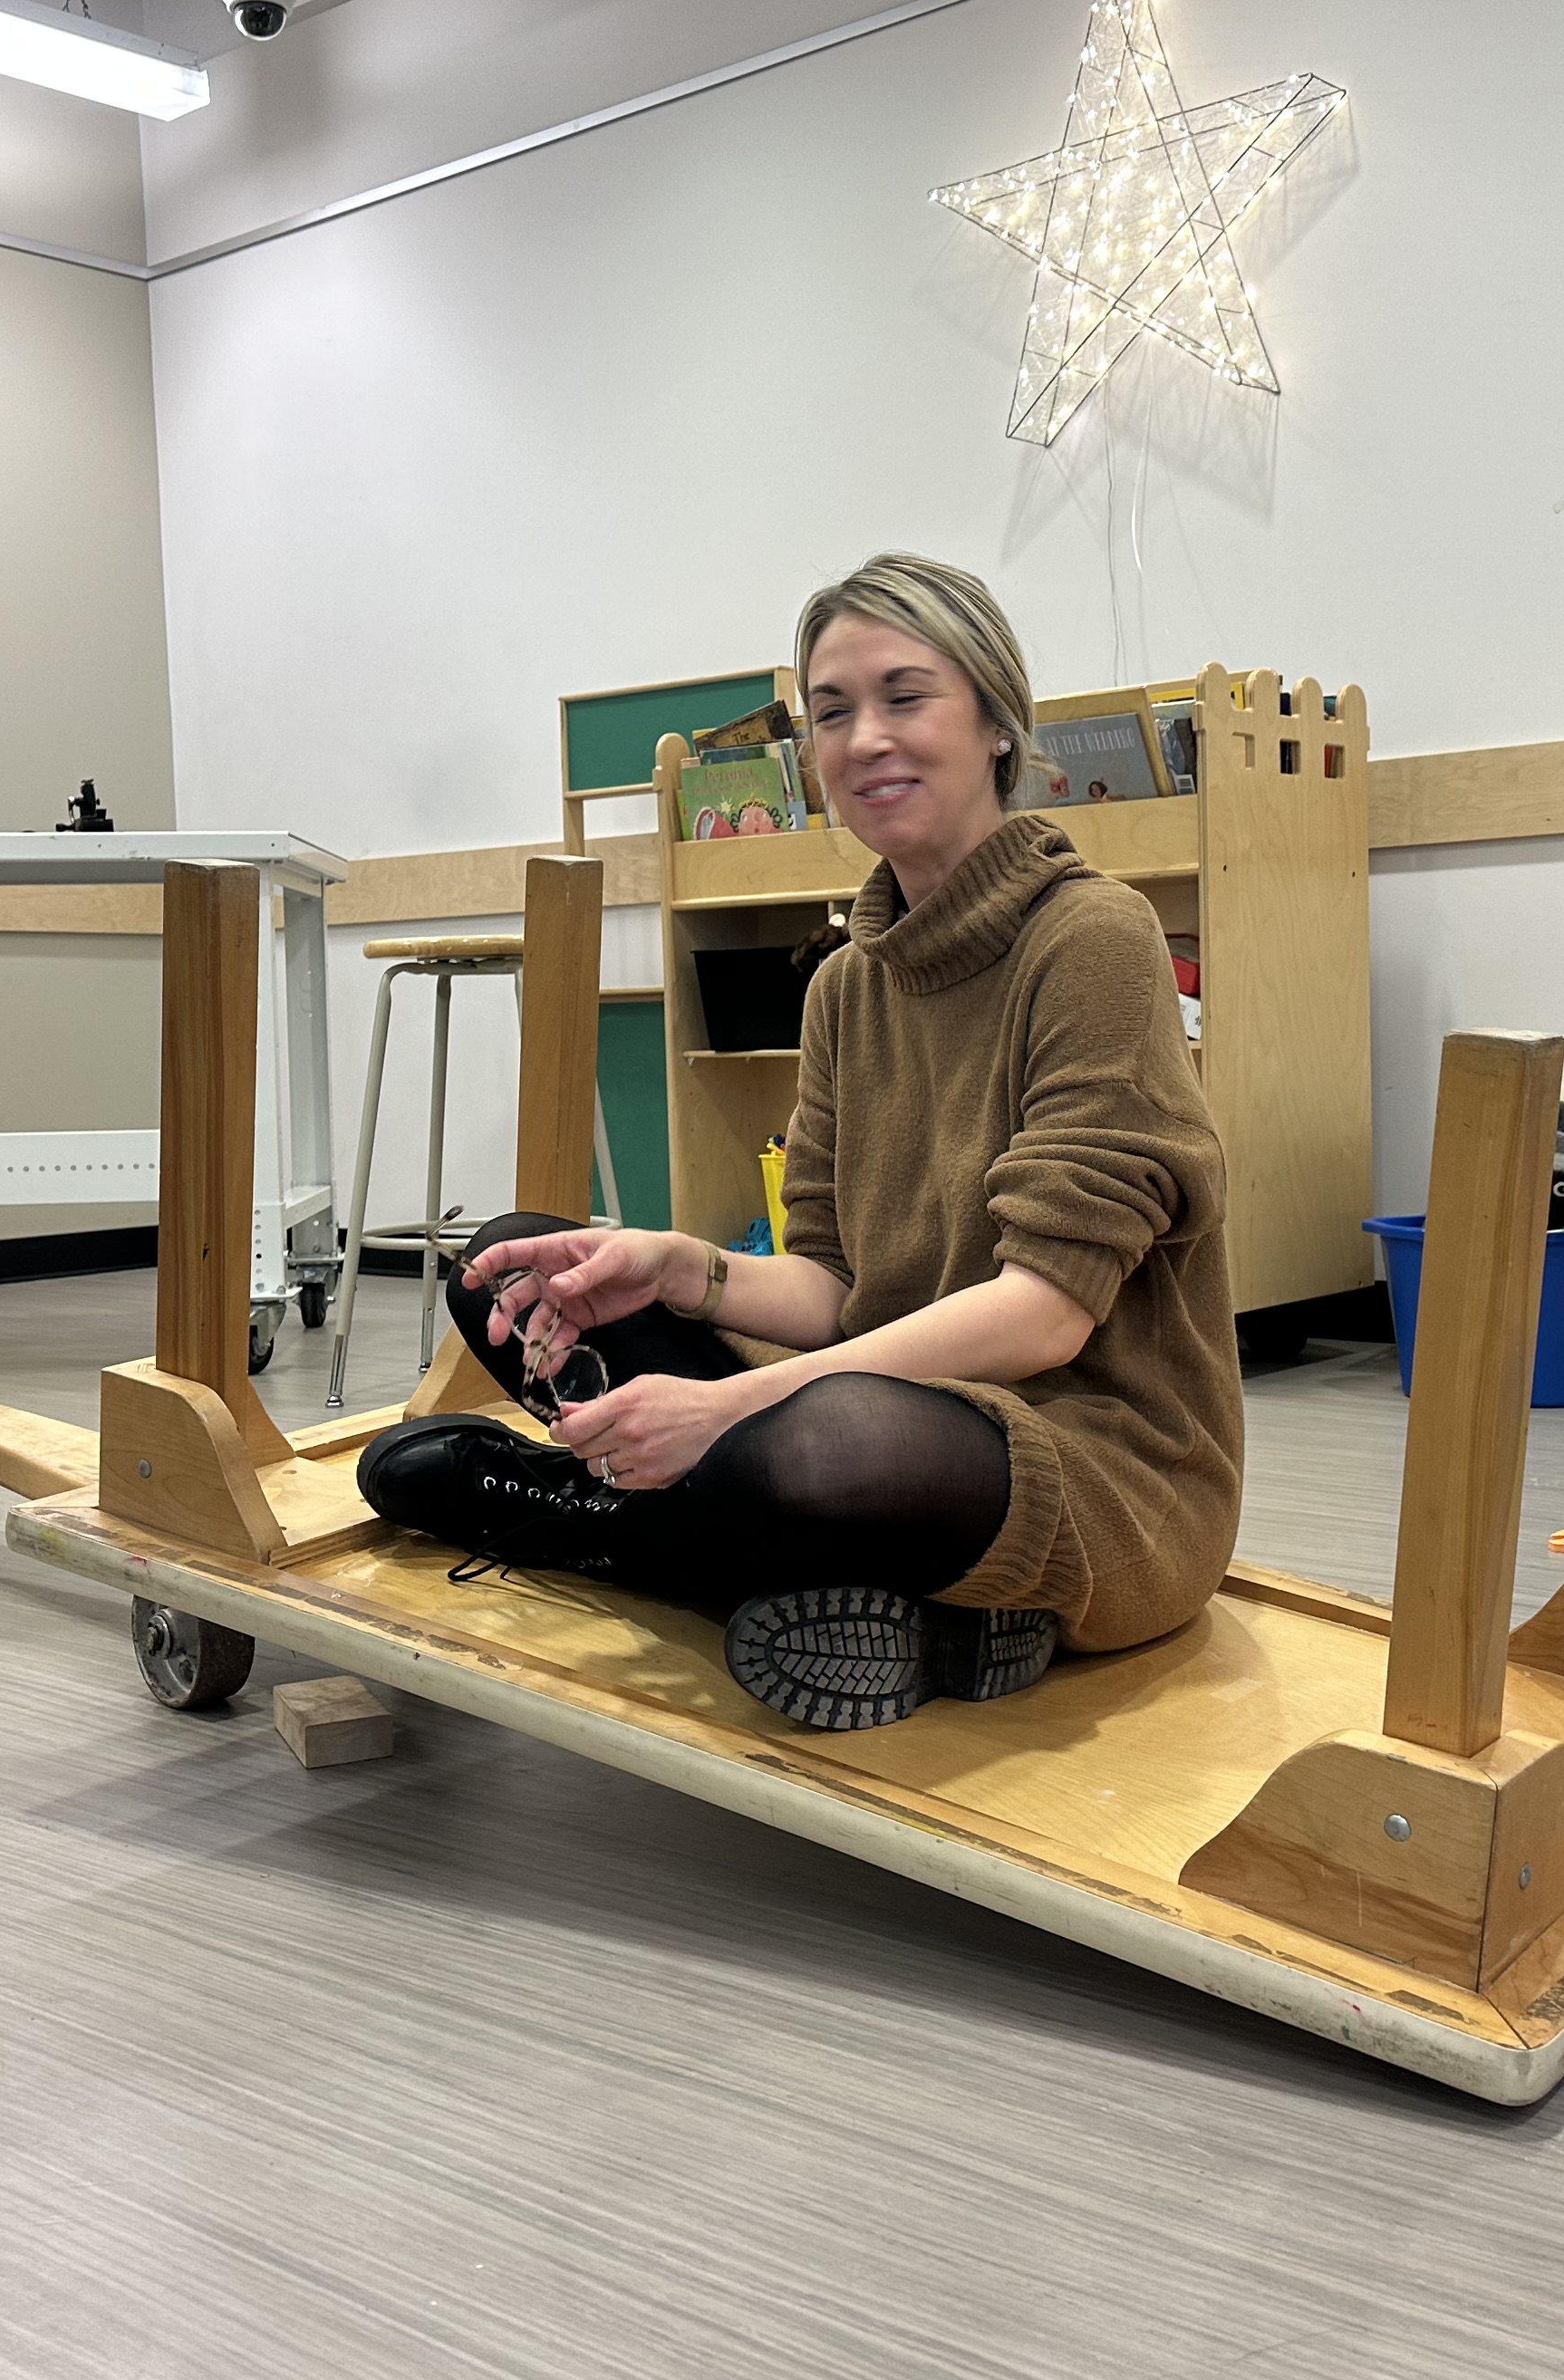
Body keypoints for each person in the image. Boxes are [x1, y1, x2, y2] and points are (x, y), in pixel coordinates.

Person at [359, 554, 1242, 1732]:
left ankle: (581, 1521)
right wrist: (675, 1267)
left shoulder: (1093, 940)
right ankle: (906, 1613)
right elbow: (835, 1291)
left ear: (994, 722)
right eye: (833, 712)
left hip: (1099, 1468)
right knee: (525, 1258)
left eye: (904, 695)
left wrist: (729, 1411)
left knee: (816, 1443)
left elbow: (1044, 1316)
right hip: (890, 1403)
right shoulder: (843, 988)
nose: (865, 737)